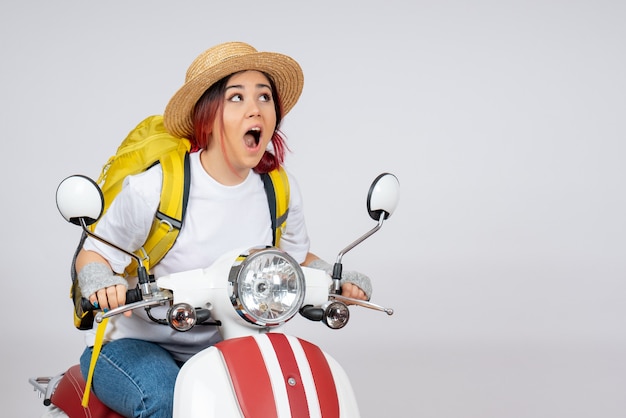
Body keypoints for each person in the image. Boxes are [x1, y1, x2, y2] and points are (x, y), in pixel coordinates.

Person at [75, 41, 372, 417]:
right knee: (165, 401)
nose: (255, 108)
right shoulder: (157, 187)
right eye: (237, 97)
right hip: (133, 345)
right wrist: (102, 281)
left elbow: (295, 259)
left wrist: (335, 277)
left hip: (225, 344)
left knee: (288, 395)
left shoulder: (277, 188)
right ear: (208, 114)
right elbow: (95, 251)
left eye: (265, 96)